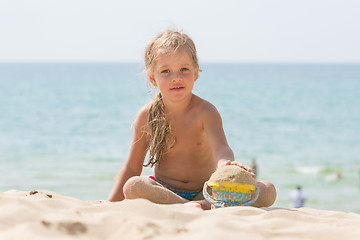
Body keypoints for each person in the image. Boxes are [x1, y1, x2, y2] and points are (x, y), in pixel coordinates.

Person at [107, 30, 276, 209]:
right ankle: (198, 206)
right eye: (165, 71)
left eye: (184, 69)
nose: (176, 77)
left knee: (268, 189)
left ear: (195, 72)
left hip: (205, 191)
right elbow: (132, 167)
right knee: (133, 186)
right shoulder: (147, 115)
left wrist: (227, 164)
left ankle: (197, 204)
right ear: (152, 78)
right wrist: (110, 203)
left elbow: (221, 148)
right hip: (164, 191)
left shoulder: (206, 111)